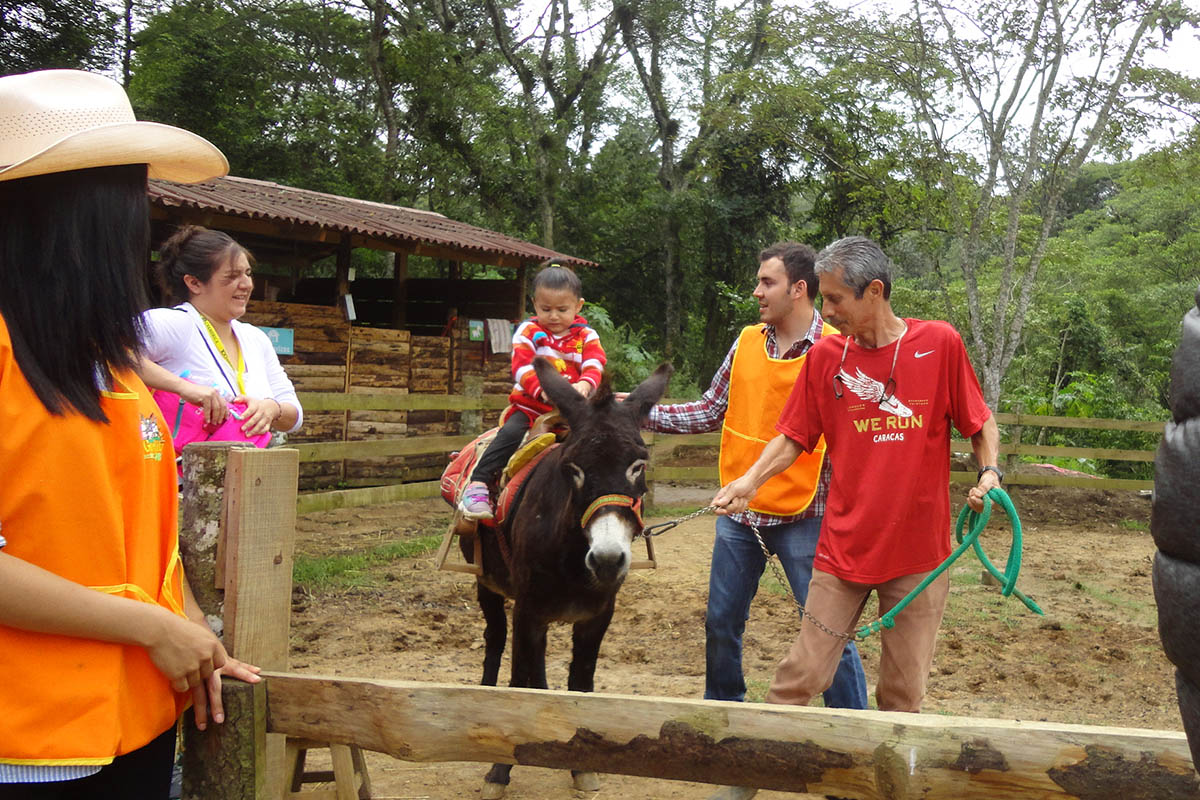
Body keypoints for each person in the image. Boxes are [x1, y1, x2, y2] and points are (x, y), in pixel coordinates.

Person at [0, 68, 259, 798]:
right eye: (128, 199)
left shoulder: (108, 364)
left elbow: (139, 534)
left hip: (137, 722)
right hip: (28, 741)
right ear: (64, 215)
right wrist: (153, 630)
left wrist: (189, 628)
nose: (138, 225)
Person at [707, 237, 999, 798]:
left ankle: (889, 787)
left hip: (919, 557)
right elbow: (794, 436)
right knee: (801, 676)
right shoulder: (826, 357)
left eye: (837, 299)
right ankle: (746, 778)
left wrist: (989, 474)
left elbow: (978, 421)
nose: (829, 311)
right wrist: (746, 484)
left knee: (901, 695)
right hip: (844, 549)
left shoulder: (938, 344)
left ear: (876, 292)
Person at [642, 242, 868, 708]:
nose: (757, 292)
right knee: (721, 621)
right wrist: (639, 411)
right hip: (741, 513)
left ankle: (853, 732)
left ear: (798, 289)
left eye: (767, 283)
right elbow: (709, 409)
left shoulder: (837, 349)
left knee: (826, 631)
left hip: (809, 513)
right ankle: (724, 718)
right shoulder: (746, 342)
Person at [138, 225, 302, 457]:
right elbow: (107, 357)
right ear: (194, 283)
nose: (246, 285)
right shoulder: (172, 323)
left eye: (247, 273)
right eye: (232, 276)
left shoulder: (256, 339)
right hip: (178, 484)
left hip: (248, 480)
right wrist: (183, 388)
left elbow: (294, 414)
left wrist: (271, 408)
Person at [459, 263, 606, 519]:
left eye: (562, 309)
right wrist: (544, 390)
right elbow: (522, 367)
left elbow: (595, 363)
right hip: (531, 407)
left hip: (575, 411)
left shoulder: (587, 336)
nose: (554, 316)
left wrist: (585, 384)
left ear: (578, 306)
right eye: (545, 309)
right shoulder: (528, 331)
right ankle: (479, 485)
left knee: (606, 443)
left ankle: (606, 495)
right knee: (510, 434)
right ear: (534, 304)